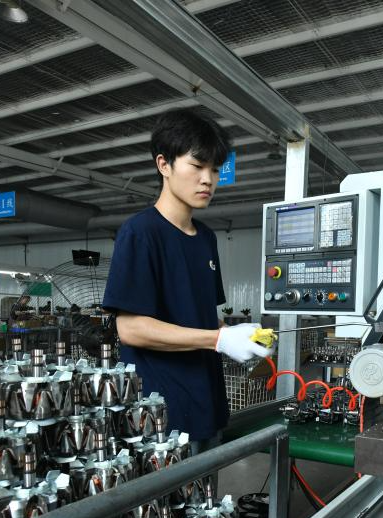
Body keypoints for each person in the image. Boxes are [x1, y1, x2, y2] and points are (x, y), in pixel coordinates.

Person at [102, 109, 271, 452]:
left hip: (207, 402)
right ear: (164, 165)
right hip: (163, 413)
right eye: (197, 166)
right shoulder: (140, 233)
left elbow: (203, 316)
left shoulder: (206, 238)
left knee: (209, 486)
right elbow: (131, 329)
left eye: (215, 169)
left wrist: (239, 335)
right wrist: (218, 339)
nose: (208, 179)